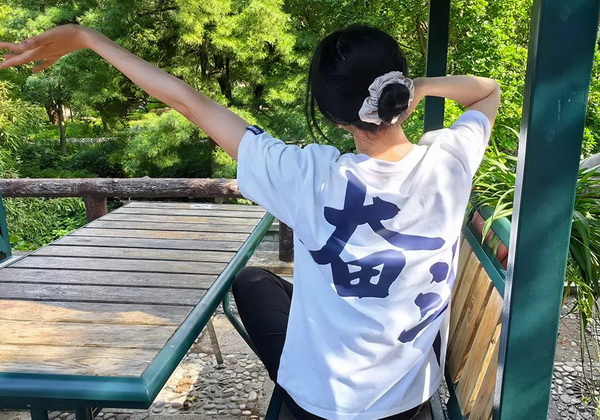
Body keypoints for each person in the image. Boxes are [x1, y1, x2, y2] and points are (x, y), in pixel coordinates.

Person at [0, 23, 500, 420]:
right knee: (262, 281)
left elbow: (187, 100)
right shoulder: (450, 161)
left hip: (321, 403)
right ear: (400, 92)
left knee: (254, 283)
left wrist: (89, 38)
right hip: (407, 400)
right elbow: (486, 92)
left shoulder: (307, 175)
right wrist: (415, 88)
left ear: (334, 115)